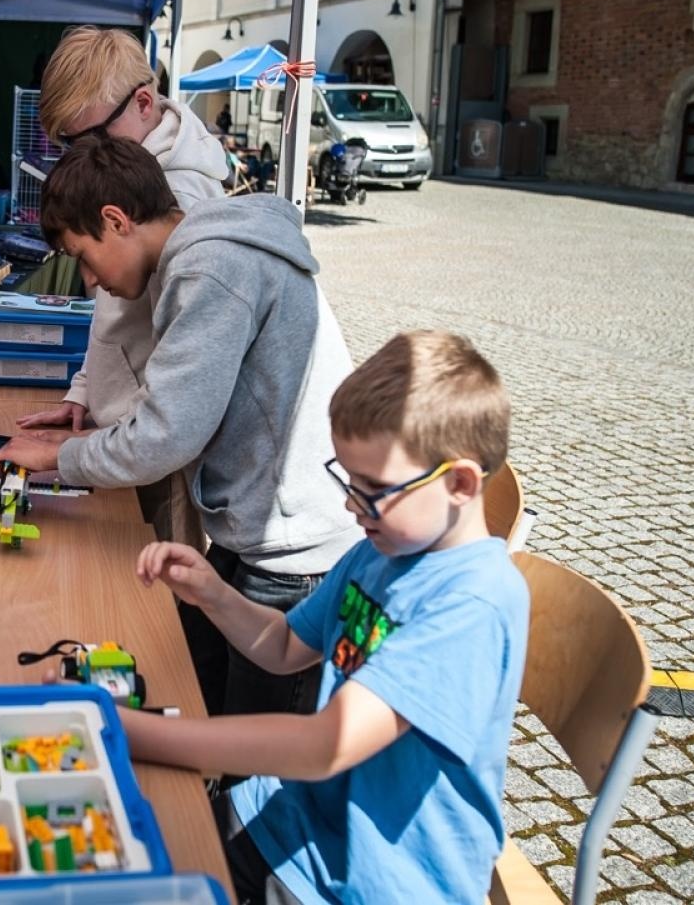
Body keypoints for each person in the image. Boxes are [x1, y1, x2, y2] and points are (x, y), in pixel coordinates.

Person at [123, 330, 529, 905]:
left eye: (371, 490)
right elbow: (284, 645)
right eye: (348, 480)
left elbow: (325, 746)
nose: (348, 505)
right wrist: (212, 592)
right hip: (295, 820)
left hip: (370, 882)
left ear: (459, 483)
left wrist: (136, 732)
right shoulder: (382, 550)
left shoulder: (473, 605)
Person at [0, 137, 359, 718]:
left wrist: (58, 458)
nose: (88, 280)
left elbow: (166, 436)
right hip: (259, 532)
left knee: (247, 755)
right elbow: (177, 410)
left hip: (295, 552)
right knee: (189, 683)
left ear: (115, 220)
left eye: (84, 257)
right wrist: (80, 442)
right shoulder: (205, 251)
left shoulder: (211, 268)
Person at [16, 26, 227, 547]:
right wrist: (87, 392)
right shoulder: (136, 186)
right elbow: (113, 313)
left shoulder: (182, 207)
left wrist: (87, 446)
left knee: (151, 591)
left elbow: (182, 388)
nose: (75, 159)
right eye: (66, 145)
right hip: (124, 437)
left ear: (142, 102)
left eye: (88, 141)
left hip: (155, 453)